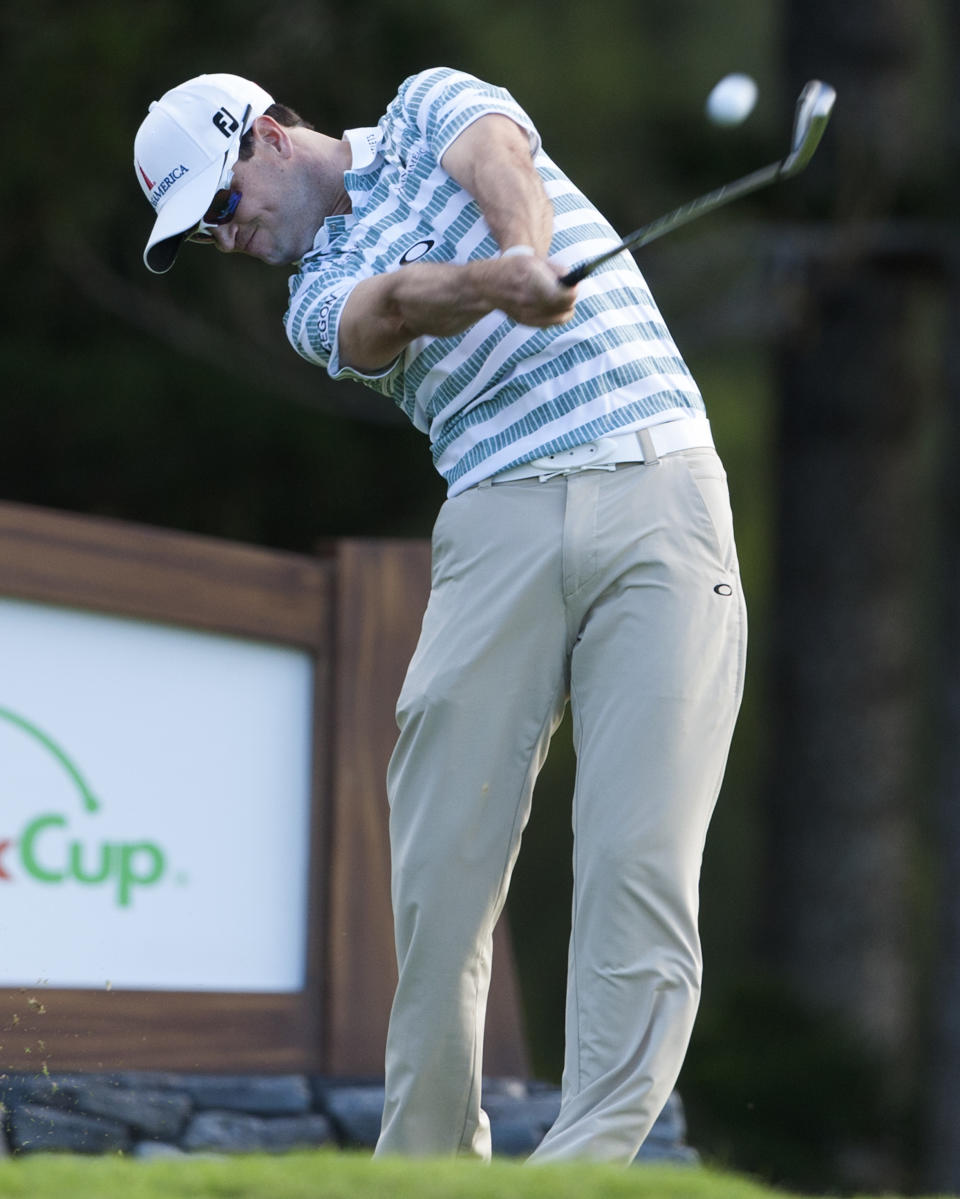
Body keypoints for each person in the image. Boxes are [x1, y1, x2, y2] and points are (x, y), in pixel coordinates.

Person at [134, 68, 747, 1164]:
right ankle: (423, 1171)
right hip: (499, 523)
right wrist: (496, 282)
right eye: (199, 234)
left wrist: (524, 247)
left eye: (220, 207)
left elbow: (499, 159)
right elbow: (393, 310)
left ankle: (583, 1172)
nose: (225, 238)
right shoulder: (309, 301)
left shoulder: (425, 104)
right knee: (440, 873)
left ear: (267, 135)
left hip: (663, 492)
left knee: (638, 859)